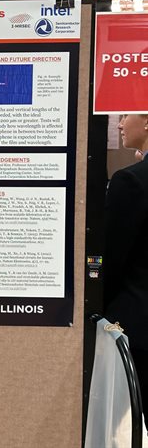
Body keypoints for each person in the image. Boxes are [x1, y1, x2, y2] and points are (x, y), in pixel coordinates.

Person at [104, 113, 148, 429]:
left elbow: (112, 260)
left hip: (137, 325)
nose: (119, 125)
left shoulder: (131, 181)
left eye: (123, 116)